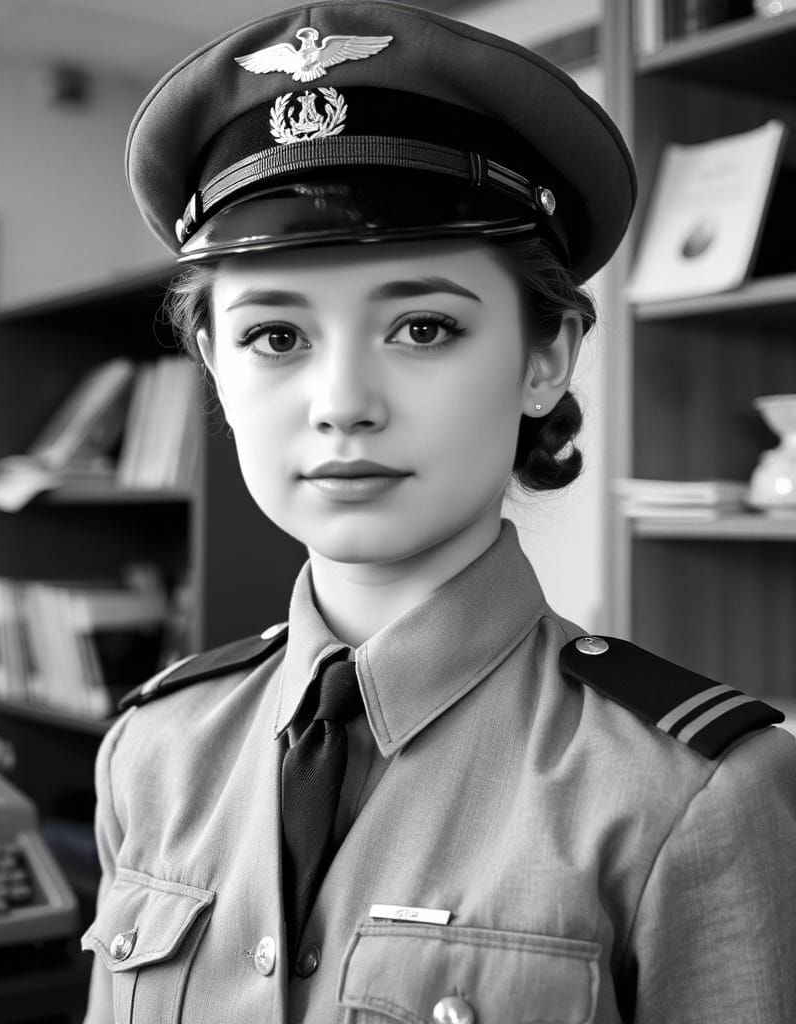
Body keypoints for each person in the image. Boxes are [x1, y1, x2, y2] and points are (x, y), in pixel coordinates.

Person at [80, 3, 796, 1022]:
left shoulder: (693, 794)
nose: (341, 402)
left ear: (543, 358)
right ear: (213, 368)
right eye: (275, 337)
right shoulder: (153, 748)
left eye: (421, 326)